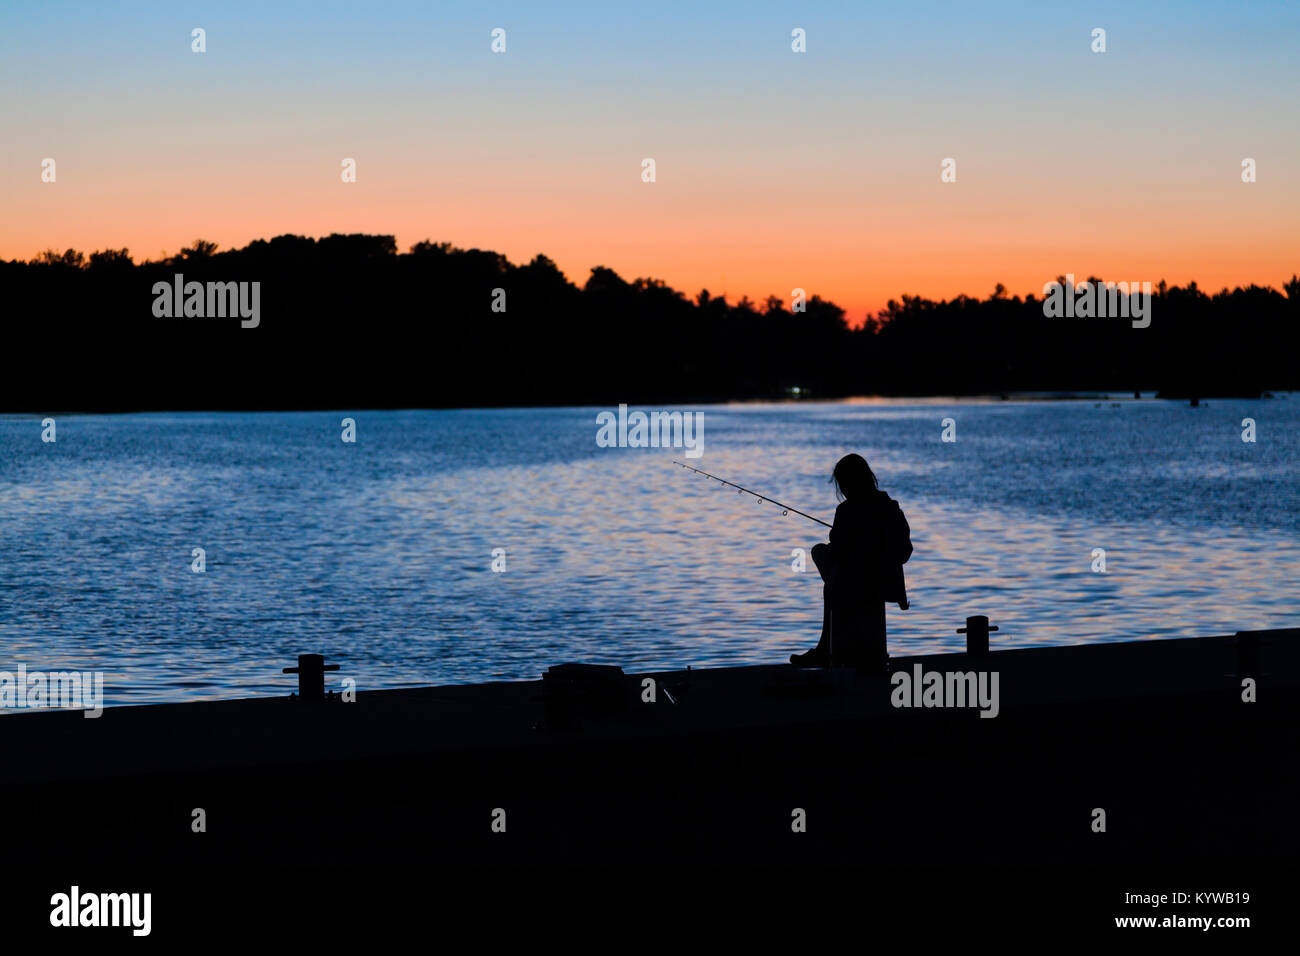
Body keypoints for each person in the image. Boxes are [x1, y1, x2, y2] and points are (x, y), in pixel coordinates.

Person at [790, 453, 911, 670]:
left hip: (858, 583)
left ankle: (825, 649)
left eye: (842, 484)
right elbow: (905, 551)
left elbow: (837, 549)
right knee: (837, 575)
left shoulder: (846, 510)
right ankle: (834, 646)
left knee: (823, 559)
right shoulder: (890, 507)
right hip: (886, 584)